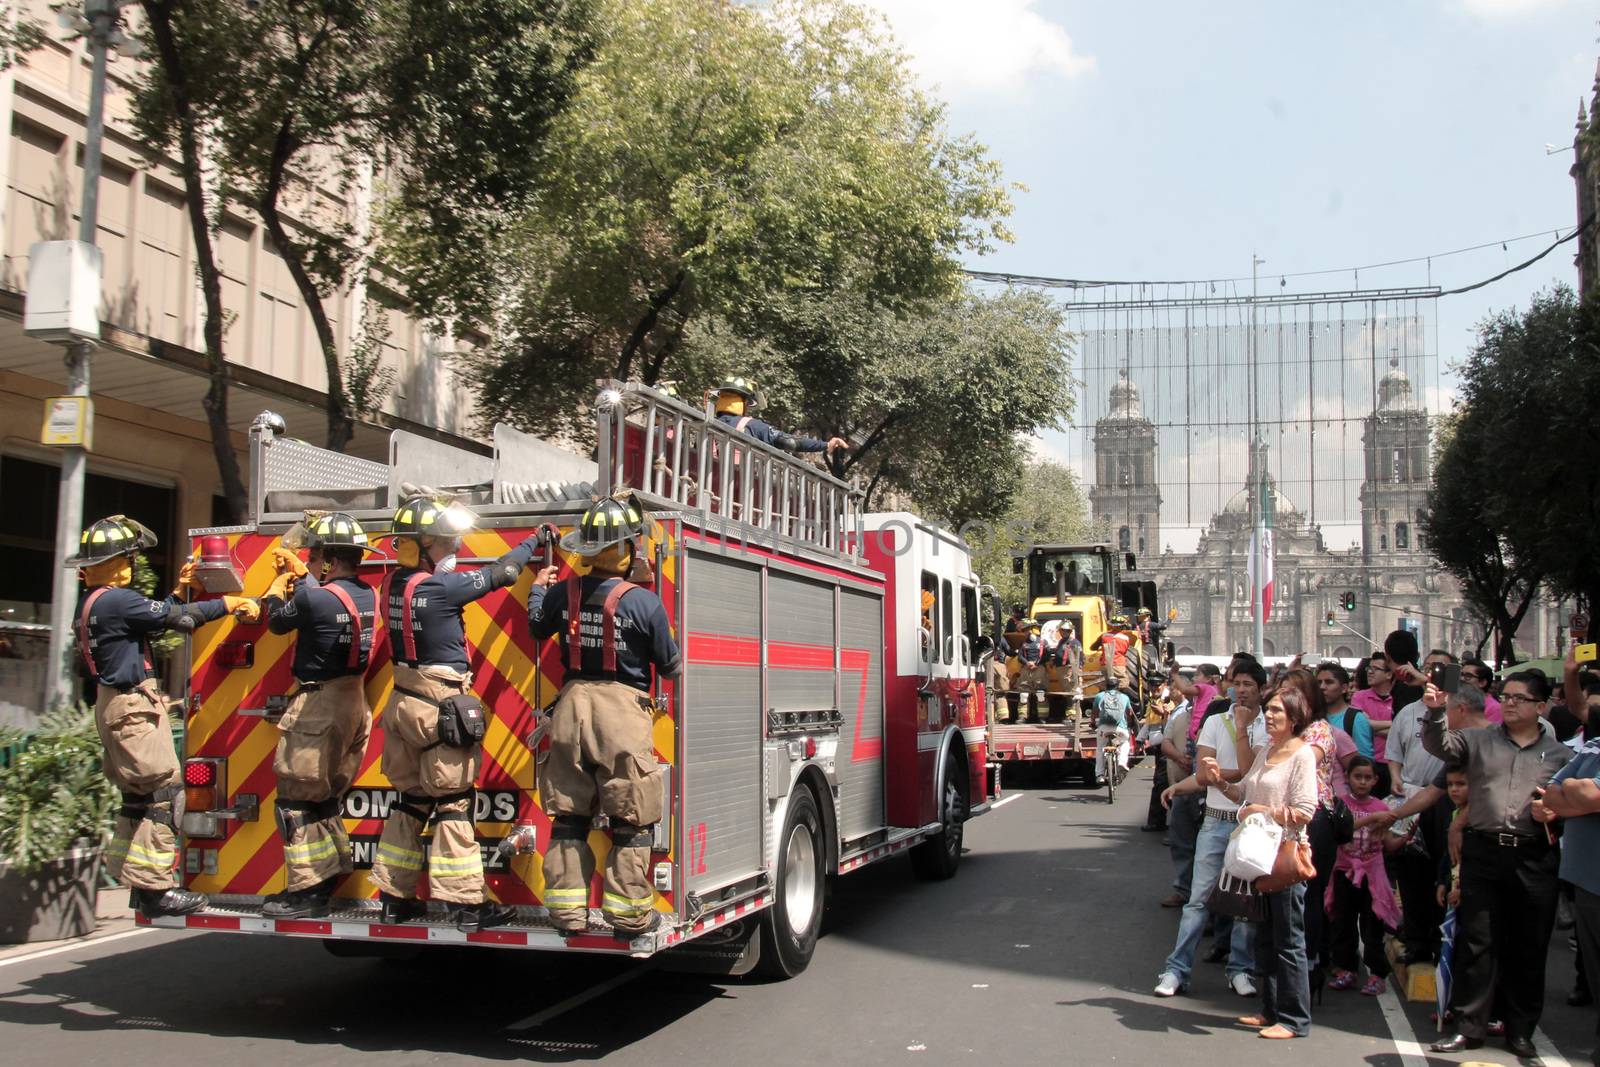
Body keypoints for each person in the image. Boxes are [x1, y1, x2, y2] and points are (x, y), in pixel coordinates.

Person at [68, 515, 257, 918]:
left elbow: (157, 615)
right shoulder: (117, 599)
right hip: (133, 708)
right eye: (129, 557)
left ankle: (134, 879)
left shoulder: (94, 604)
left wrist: (178, 591)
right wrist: (227, 604)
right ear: (116, 562)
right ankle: (157, 890)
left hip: (114, 705)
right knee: (163, 794)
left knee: (136, 798)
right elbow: (178, 620)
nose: (132, 564)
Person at [369, 495, 541, 933]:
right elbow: (501, 573)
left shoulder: (392, 586)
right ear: (422, 546)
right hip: (438, 708)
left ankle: (393, 896)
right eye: (446, 543)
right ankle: (465, 903)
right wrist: (533, 542)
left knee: (410, 801)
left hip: (403, 702)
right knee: (452, 803)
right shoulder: (437, 588)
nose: (455, 551)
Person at [528, 495, 682, 939]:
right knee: (630, 820)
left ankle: (568, 915)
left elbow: (538, 626)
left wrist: (539, 587)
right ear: (627, 549)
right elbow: (669, 665)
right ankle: (630, 916)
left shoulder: (564, 592)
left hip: (571, 709)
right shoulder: (644, 603)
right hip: (621, 714)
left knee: (569, 818)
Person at [1423, 670, 1573, 1060]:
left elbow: (1571, 807)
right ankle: (1469, 1026)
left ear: (1541, 708)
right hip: (1484, 850)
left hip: (1534, 854)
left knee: (1528, 944)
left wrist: (1554, 813)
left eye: (1519, 698)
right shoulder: (1478, 740)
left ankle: (1520, 1028)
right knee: (1477, 941)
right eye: (1505, 696)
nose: (1508, 703)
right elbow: (1440, 745)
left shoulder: (1561, 756)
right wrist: (1436, 712)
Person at [256, 512, 377, 919]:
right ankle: (328, 876)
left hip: (319, 706)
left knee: (296, 799)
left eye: (314, 555)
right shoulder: (367, 595)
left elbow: (276, 622)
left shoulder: (312, 597)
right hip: (353, 702)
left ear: (328, 559)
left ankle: (306, 893)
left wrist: (277, 589)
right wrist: (308, 581)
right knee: (324, 798)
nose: (308, 560)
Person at [1153, 659, 1269, 1001]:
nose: (1242, 690)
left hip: (1250, 825)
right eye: (1237, 683)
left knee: (1245, 903)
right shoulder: (1216, 722)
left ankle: (1240, 969)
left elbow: (1252, 774)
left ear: (1261, 689)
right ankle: (1176, 969)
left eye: (1249, 684)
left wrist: (1242, 739)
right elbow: (1206, 772)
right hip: (1217, 820)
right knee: (1198, 900)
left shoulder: (1268, 726)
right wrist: (1212, 777)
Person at [1217, 685, 1318, 1040]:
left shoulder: (1302, 755)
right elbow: (1243, 790)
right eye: (1269, 710)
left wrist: (1266, 812)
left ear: (1294, 718)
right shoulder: (1268, 752)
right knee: (1264, 935)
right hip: (1257, 857)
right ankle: (1271, 1009)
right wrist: (1219, 782)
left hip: (1284, 857)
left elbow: (1306, 811)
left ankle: (1294, 1019)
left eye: (1277, 710)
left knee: (1289, 940)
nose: (1270, 716)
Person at [1534, 656, 1600, 1067]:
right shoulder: (1593, 746)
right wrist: (1574, 795)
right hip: (1587, 882)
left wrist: (1574, 795)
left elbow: (1584, 796)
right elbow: (1551, 797)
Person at [1326, 757, 1400, 996]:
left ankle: (1377, 974)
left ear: (1376, 780)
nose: (1362, 782)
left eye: (1368, 778)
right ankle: (1346, 969)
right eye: (1358, 777)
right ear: (1347, 778)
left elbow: (1389, 844)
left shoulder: (1382, 808)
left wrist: (1406, 838)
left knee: (1373, 926)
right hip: (1344, 872)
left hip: (1372, 875)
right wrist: (1370, 820)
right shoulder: (1339, 805)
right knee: (1343, 922)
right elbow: (1341, 832)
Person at [713, 378, 847, 458]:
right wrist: (825, 444)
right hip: (739, 494)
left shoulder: (708, 425)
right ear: (745, 402)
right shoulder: (752, 426)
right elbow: (790, 442)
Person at [1159, 690, 1197, 905]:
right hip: (1182, 788)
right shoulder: (1180, 716)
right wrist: (1180, 758)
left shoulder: (1215, 718)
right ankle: (1183, 890)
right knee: (1181, 842)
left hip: (1206, 791)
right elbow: (1166, 743)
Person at [1349, 651, 1399, 797]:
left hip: (1394, 766)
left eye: (1375, 669)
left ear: (1389, 674)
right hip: (1368, 764)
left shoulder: (1398, 698)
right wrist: (1394, 724)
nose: (1369, 672)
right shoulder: (1359, 697)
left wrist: (1372, 727)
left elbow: (1404, 732)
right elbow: (1361, 725)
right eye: (1368, 668)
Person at [1317, 661, 1372, 758]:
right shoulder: (1312, 715)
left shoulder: (1356, 719)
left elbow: (1365, 761)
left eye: (1329, 682)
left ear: (1344, 688)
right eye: (1319, 682)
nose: (1322, 687)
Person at [1008, 619, 1047, 723]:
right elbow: (1020, 656)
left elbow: (1045, 656)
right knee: (1023, 694)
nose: (1025, 632)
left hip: (1039, 669)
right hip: (1026, 669)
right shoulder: (1023, 643)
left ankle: (1042, 717)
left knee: (1040, 693)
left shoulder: (1043, 642)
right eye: (1024, 630)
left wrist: (1036, 663)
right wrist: (1027, 663)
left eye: (1026, 630)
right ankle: (1022, 717)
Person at [1093, 686, 1133, 785]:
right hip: (1120, 729)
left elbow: (1094, 712)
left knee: (1100, 748)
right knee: (1125, 743)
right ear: (1117, 687)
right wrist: (1129, 723)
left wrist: (1093, 722)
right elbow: (1129, 713)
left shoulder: (1099, 696)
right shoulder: (1124, 697)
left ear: (1106, 685)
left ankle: (1100, 775)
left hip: (1104, 729)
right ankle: (1121, 763)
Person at [1091, 615, 1133, 692]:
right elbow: (1125, 651)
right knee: (1123, 683)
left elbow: (1093, 647)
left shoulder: (1104, 636)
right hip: (1119, 665)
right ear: (1123, 626)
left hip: (1105, 664)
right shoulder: (1125, 638)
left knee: (1103, 685)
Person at [1463, 658, 1503, 723]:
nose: (1462, 679)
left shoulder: (1495, 709)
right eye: (1461, 674)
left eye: (1468, 676)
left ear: (1482, 683)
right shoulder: (1457, 703)